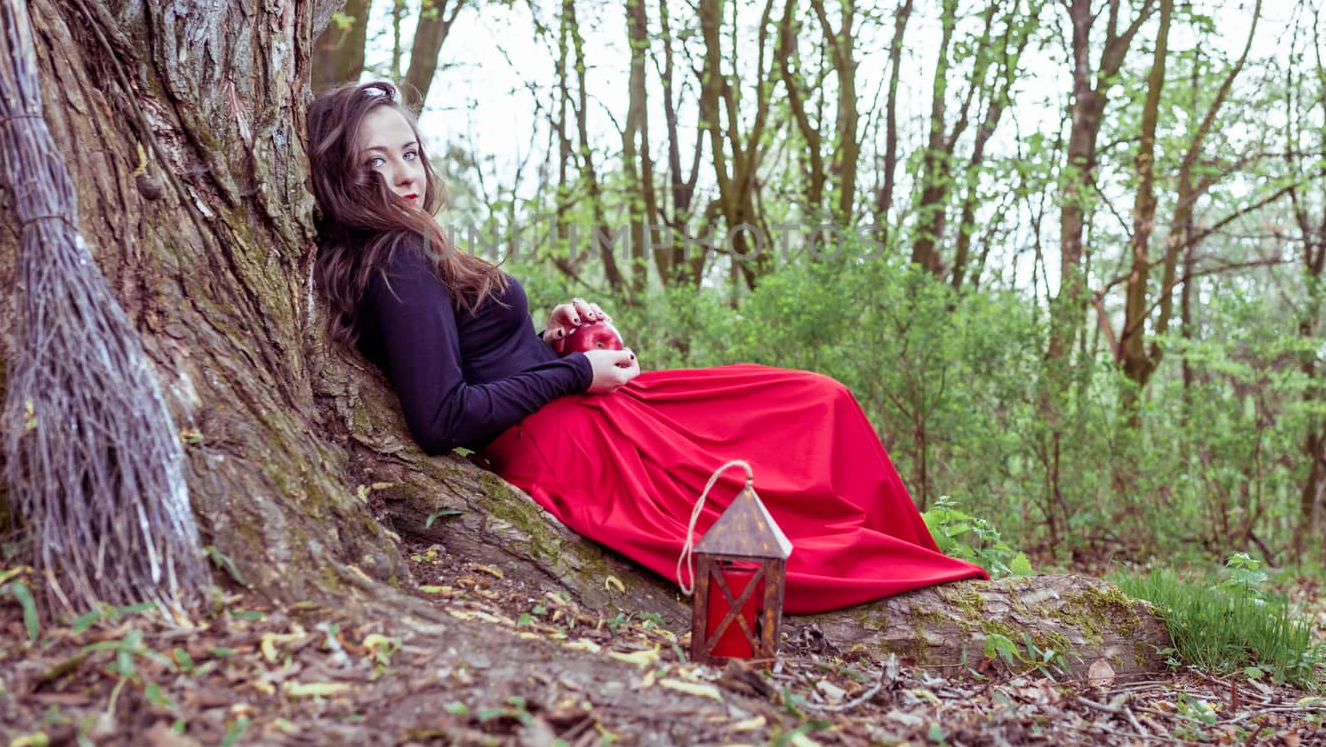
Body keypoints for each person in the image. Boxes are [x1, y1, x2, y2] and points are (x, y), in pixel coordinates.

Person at [307, 80, 987, 613]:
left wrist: (552, 338)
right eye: (374, 163)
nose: (403, 174)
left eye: (409, 152)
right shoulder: (396, 254)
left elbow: (468, 359)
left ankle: (910, 554)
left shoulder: (410, 250)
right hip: (572, 447)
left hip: (581, 410)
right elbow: (441, 418)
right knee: (780, 460)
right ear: (342, 179)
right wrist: (575, 370)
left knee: (815, 402)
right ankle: (907, 566)